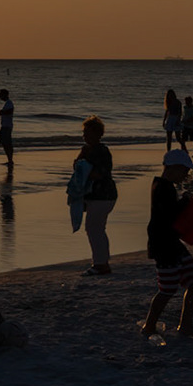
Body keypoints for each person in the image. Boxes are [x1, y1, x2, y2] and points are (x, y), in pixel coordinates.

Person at [141, 150, 193, 340]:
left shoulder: (161, 185)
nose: (186, 175)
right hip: (164, 246)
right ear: (173, 168)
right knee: (167, 289)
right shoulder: (164, 187)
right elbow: (170, 216)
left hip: (170, 243)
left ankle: (185, 325)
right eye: (184, 170)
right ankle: (149, 326)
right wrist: (185, 202)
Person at [75, 114, 118, 275]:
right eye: (84, 132)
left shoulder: (102, 151)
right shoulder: (87, 150)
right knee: (98, 228)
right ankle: (102, 261)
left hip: (103, 195)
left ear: (98, 134)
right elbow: (76, 166)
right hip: (99, 196)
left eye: (87, 132)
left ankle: (101, 264)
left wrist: (85, 170)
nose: (84, 136)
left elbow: (101, 173)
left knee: (94, 228)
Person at [0, 88, 15, 169]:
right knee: (4, 142)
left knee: (7, 143)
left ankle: (10, 160)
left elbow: (9, 112)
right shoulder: (7, 103)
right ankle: (9, 160)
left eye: (0, 95)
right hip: (5, 126)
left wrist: (1, 112)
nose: (0, 96)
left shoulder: (9, 103)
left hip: (7, 126)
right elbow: (5, 113)